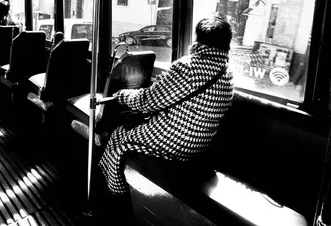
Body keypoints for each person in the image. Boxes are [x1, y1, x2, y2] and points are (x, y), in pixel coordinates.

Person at [98, 15, 235, 197]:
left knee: (118, 136)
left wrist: (121, 95)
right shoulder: (227, 71)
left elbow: (146, 102)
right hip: (199, 144)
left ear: (199, 39)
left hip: (173, 142)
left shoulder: (188, 66)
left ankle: (116, 194)